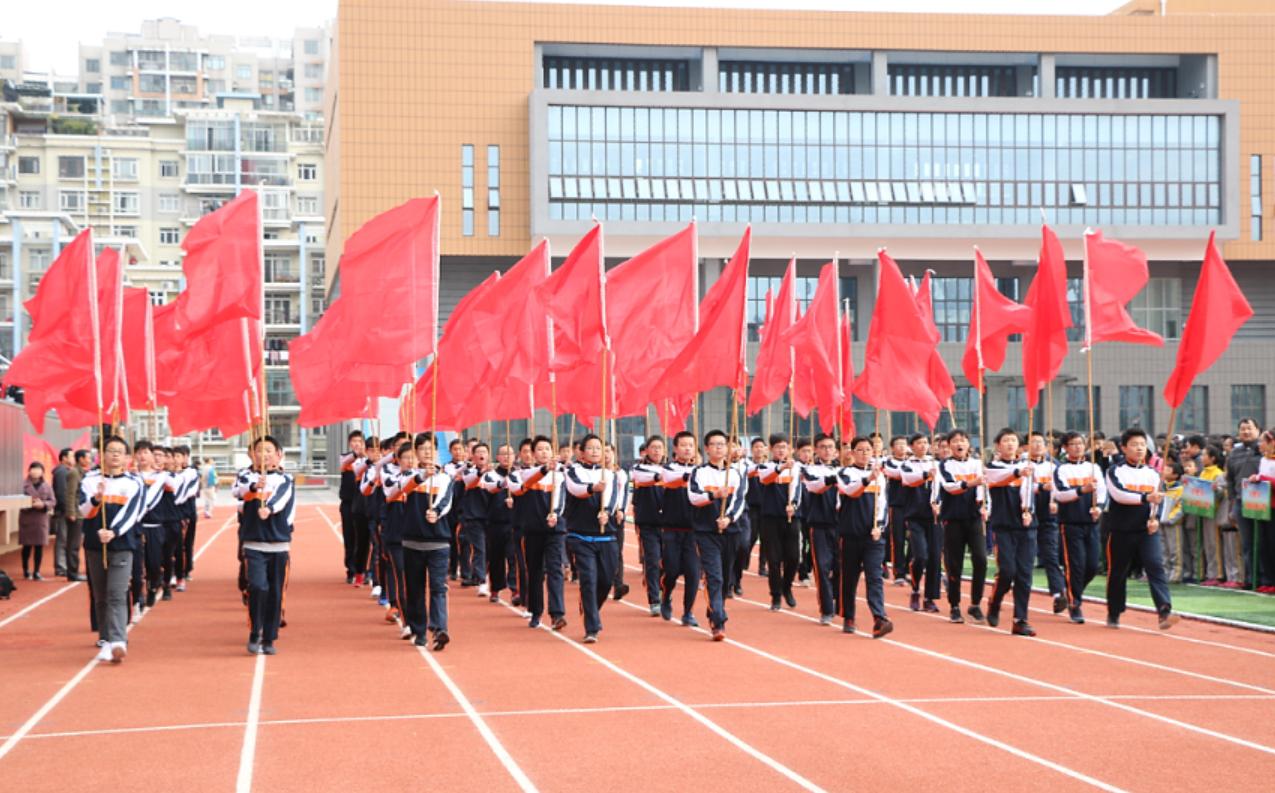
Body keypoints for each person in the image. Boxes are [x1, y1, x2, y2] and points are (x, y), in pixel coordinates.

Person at [1105, 428, 1178, 630]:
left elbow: (1159, 499)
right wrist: (1145, 498)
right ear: (1124, 448)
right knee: (1118, 572)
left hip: (1147, 531)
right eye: (1135, 445)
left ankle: (1164, 610)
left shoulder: (1153, 474)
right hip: (1121, 530)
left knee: (1155, 566)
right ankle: (1114, 610)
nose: (1139, 449)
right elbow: (1119, 494)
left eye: (1142, 445)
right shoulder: (1115, 471)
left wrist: (1156, 518)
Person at [81, 435, 146, 664]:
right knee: (100, 596)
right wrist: (96, 499)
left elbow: (134, 513)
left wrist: (114, 531)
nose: (115, 454)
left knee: (116, 593)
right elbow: (83, 511)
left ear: (127, 457)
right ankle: (106, 640)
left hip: (121, 545)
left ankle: (118, 640)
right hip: (94, 545)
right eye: (110, 450)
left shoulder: (133, 483)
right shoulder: (89, 480)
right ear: (102, 454)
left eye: (120, 451)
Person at [235, 436, 296, 654]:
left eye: (269, 450)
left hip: (279, 544)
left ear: (278, 454)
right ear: (253, 454)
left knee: (275, 593)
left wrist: (268, 508)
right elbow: (238, 491)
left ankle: (269, 638)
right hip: (253, 543)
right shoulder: (245, 476)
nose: (265, 454)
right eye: (260, 450)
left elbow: (281, 498)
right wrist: (254, 488)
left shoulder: (285, 478)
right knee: (258, 587)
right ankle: (255, 631)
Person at [396, 436, 455, 650]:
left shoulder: (445, 477)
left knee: (439, 588)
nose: (427, 452)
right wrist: (422, 475)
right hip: (412, 542)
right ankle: (419, 630)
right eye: (422, 449)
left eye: (431, 448)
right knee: (415, 589)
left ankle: (440, 629)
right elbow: (403, 488)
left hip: (438, 542)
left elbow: (446, 501)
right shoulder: (409, 475)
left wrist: (436, 512)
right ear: (416, 453)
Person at [688, 430, 745, 641]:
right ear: (706, 448)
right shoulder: (699, 472)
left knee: (725, 578)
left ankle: (715, 609)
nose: (719, 448)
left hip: (730, 531)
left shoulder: (736, 474)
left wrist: (729, 518)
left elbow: (739, 501)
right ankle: (718, 621)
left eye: (722, 444)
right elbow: (693, 497)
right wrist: (713, 495)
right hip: (706, 532)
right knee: (714, 576)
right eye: (714, 444)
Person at [835, 436, 893, 637]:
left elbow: (883, 505)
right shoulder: (844, 473)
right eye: (860, 450)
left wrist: (879, 526)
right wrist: (868, 478)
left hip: (873, 537)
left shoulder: (880, 477)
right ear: (851, 453)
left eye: (868, 449)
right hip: (850, 534)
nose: (864, 453)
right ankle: (848, 616)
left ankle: (879, 617)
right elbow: (851, 491)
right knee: (849, 578)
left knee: (874, 576)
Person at [564, 434, 619, 643]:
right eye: (591, 448)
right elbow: (576, 489)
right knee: (589, 579)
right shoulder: (573, 471)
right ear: (581, 451)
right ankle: (591, 626)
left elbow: (613, 497)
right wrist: (593, 489)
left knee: (605, 580)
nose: (596, 452)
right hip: (580, 535)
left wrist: (608, 512)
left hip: (606, 536)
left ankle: (591, 609)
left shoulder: (610, 474)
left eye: (599, 448)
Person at [509, 436, 567, 630]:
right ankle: (536, 611)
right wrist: (544, 470)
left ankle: (557, 613)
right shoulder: (520, 474)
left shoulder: (560, 474)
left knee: (555, 570)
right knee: (534, 572)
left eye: (547, 449)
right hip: (531, 530)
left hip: (554, 530)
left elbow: (561, 498)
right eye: (540, 449)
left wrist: (555, 514)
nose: (544, 452)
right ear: (532, 454)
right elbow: (519, 488)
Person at [984, 429, 1038, 637]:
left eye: (1013, 441)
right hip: (1003, 526)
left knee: (1024, 574)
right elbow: (997, 478)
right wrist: (1017, 473)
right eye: (1005, 440)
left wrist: (1029, 511)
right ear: (998, 445)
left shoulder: (1028, 467)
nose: (1010, 444)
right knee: (1007, 571)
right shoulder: (993, 467)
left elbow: (1030, 493)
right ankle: (995, 601)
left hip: (1026, 526)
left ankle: (1020, 619)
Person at [1052, 431, 1108, 624]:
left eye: (1080, 444)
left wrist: (1099, 507)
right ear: (1066, 448)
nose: (1077, 447)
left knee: (1092, 565)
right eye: (1073, 444)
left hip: (1091, 522)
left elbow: (1102, 491)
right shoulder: (1061, 470)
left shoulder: (1093, 468)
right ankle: (1075, 604)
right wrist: (1081, 490)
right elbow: (1060, 494)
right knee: (1075, 565)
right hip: (1070, 523)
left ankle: (1069, 594)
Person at [935, 429, 988, 624]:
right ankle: (955, 605)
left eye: (963, 440)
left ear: (968, 444)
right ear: (949, 445)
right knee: (954, 563)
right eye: (956, 441)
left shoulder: (977, 463)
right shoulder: (944, 465)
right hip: (953, 519)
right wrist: (971, 483)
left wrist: (985, 506)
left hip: (974, 518)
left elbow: (984, 487)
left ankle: (975, 603)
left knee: (981, 559)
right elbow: (950, 487)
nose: (960, 444)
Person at [799, 433, 841, 625]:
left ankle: (840, 602)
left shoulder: (846, 470)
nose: (827, 450)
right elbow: (816, 487)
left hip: (843, 526)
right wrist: (835, 478)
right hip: (819, 525)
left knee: (841, 568)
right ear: (816, 450)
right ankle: (826, 609)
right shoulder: (810, 470)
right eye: (823, 447)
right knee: (822, 568)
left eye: (830, 447)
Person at [658, 431, 700, 623]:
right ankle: (666, 597)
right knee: (672, 570)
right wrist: (696, 472)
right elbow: (674, 478)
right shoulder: (668, 469)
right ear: (675, 448)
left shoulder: (701, 471)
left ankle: (687, 612)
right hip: (671, 530)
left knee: (693, 573)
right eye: (683, 445)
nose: (687, 448)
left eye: (691, 445)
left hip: (694, 531)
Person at [757, 433, 802, 611]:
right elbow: (764, 478)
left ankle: (787, 586)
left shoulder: (796, 467)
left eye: (784, 447)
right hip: (770, 518)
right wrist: (781, 467)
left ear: (790, 449)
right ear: (771, 449)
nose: (781, 450)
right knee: (773, 560)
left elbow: (797, 488)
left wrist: (794, 505)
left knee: (793, 558)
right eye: (777, 447)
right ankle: (775, 595)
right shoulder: (765, 466)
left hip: (791, 517)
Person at [899, 433, 940, 613]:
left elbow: (944, 486)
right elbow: (909, 479)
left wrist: (939, 504)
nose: (923, 446)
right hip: (914, 516)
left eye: (925, 442)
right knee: (921, 555)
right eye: (919, 443)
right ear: (911, 446)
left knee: (935, 557)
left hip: (935, 517)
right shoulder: (907, 465)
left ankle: (930, 597)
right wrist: (926, 474)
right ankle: (916, 589)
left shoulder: (937, 464)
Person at [1027, 431, 1067, 614]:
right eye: (1033, 442)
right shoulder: (1022, 465)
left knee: (1050, 555)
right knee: (1025, 556)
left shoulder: (1055, 465)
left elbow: (1063, 487)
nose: (1037, 445)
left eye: (1040, 442)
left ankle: (1059, 592)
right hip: (1026, 516)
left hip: (1049, 518)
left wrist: (1056, 500)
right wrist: (1042, 487)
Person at [629, 436, 666, 615]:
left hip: (669, 524)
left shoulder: (670, 469)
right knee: (652, 560)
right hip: (648, 523)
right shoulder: (639, 469)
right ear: (646, 450)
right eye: (654, 447)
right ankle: (654, 599)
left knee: (669, 563)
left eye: (660, 447)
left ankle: (666, 593)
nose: (657, 451)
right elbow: (645, 478)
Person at [480, 444, 516, 604]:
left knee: (513, 556)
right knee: (496, 557)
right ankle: (496, 587)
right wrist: (503, 489)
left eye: (510, 454)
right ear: (497, 457)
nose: (507, 457)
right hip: (495, 522)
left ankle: (515, 588)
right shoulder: (490, 475)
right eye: (503, 454)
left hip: (515, 522)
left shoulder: (520, 474)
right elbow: (489, 491)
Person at [1246, 430, 1275, 594]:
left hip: (1274, 508)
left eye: (1263, 441)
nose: (1260, 444)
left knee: (1273, 544)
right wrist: (1255, 478)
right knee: (1264, 545)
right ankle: (1269, 579)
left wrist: (1262, 479)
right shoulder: (1264, 460)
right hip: (1263, 508)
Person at [338, 430, 369, 585]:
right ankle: (351, 569)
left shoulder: (370, 460)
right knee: (350, 537)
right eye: (354, 441)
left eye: (360, 441)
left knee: (364, 538)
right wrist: (357, 455)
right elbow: (345, 463)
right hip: (348, 503)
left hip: (365, 504)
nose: (357, 444)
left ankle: (363, 569)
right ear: (350, 443)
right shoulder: (346, 458)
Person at [881, 435, 911, 585]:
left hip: (913, 504)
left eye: (904, 444)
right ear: (892, 448)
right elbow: (897, 474)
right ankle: (899, 572)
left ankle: (909, 568)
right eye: (898, 444)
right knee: (897, 538)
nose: (901, 447)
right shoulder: (888, 463)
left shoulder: (913, 461)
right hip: (896, 504)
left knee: (914, 538)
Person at [20, 462, 55, 580]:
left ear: (42, 472)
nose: (35, 471)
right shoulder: (22, 485)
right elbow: (17, 501)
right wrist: (30, 504)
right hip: (27, 518)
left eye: (38, 469)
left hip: (41, 519)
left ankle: (37, 571)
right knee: (26, 546)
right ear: (29, 471)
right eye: (33, 469)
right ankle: (25, 570)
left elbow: (53, 501)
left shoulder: (47, 485)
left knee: (39, 546)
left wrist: (44, 504)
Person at [51, 449, 74, 578]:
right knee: (62, 539)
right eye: (71, 456)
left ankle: (63, 565)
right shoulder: (61, 472)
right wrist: (68, 509)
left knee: (66, 539)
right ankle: (60, 566)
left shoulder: (66, 471)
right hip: (63, 511)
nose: (73, 458)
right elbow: (61, 493)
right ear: (64, 458)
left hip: (66, 510)